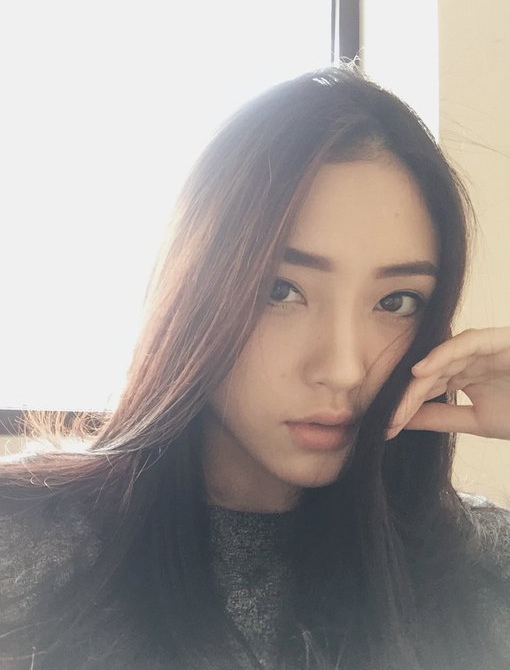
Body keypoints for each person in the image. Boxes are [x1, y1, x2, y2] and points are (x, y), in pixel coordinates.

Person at [1, 63, 510, 670]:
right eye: (280, 290)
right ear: (191, 290)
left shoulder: (483, 566)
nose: (344, 370)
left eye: (395, 302)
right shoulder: (23, 547)